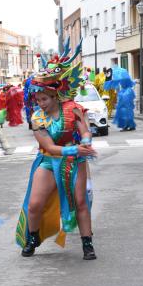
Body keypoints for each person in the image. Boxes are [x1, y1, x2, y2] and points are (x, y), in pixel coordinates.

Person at [17, 42, 98, 260]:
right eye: (37, 99)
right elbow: (48, 147)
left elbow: (85, 130)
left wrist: (87, 143)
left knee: (81, 202)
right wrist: (77, 149)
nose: (40, 103)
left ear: (55, 96)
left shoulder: (73, 109)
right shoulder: (37, 118)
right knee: (34, 204)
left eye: (44, 99)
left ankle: (87, 243)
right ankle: (33, 236)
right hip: (48, 160)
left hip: (75, 161)